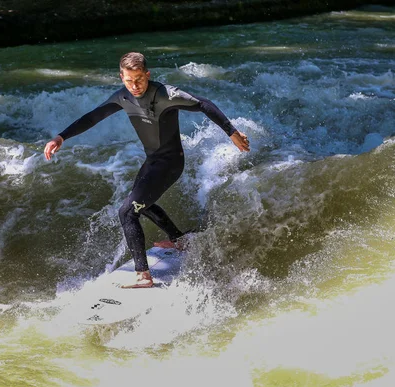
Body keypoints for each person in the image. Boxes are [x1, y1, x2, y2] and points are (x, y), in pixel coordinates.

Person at [43, 52, 250, 288]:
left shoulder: (165, 94)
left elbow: (203, 104)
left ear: (147, 75)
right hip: (152, 161)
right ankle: (179, 239)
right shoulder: (122, 96)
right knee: (140, 203)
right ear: (121, 77)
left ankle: (143, 276)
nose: (135, 86)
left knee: (127, 212)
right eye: (129, 80)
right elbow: (92, 117)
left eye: (139, 79)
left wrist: (231, 132)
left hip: (170, 164)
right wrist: (61, 137)